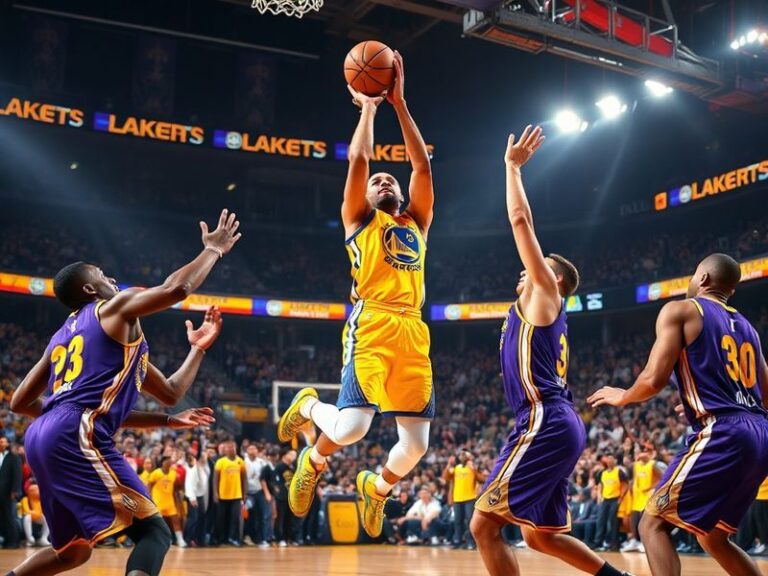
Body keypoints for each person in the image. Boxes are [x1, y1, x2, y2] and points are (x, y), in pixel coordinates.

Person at [6, 209, 240, 576]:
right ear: (89, 289)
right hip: (72, 431)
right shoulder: (110, 308)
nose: (111, 278)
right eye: (101, 275)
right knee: (153, 532)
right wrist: (213, 251)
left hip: (43, 435)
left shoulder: (63, 338)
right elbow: (176, 289)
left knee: (72, 552)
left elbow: (170, 391)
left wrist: (197, 349)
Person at [276, 51, 435, 540]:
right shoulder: (358, 221)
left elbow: (421, 166)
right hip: (372, 324)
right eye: (375, 182)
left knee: (416, 447)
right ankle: (308, 418)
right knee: (352, 429)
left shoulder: (417, 223)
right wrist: (369, 108)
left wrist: (400, 104)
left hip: (413, 329)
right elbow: (360, 158)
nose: (383, 179)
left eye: (390, 179)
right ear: (362, 198)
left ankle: (377, 488)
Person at [468, 126, 631, 576]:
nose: (526, 270)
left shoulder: (544, 292)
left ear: (553, 277)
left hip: (545, 418)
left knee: (483, 525)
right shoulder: (536, 307)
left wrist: (511, 168)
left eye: (539, 267)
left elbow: (521, 222)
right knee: (539, 534)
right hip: (554, 420)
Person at [589, 252, 768, 576]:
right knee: (714, 537)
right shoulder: (749, 330)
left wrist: (624, 396)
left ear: (702, 278)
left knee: (652, 524)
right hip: (760, 433)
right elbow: (764, 395)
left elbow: (653, 379)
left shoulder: (682, 309)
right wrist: (706, 400)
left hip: (725, 430)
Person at [443, 451, 480, 549]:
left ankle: (470, 542)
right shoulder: (456, 468)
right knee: (457, 521)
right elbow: (445, 477)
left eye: (465, 454)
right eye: (461, 454)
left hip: (470, 498)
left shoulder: (473, 468)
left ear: (470, 457)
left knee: (469, 521)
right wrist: (448, 464)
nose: (462, 455)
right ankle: (457, 540)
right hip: (457, 498)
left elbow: (482, 479)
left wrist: (474, 470)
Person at [213, 440, 246, 547]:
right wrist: (215, 493)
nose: (231, 449)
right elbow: (215, 479)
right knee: (221, 519)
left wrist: (244, 494)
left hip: (236, 495)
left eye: (233, 447)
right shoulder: (220, 462)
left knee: (235, 519)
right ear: (225, 450)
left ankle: (233, 539)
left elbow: (244, 479)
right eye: (229, 447)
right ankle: (221, 540)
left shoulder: (240, 461)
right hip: (222, 495)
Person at [148, 456, 186, 548]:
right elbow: (149, 486)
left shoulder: (173, 473)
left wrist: (180, 492)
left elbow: (178, 486)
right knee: (159, 523)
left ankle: (180, 540)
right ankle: (160, 540)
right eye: (167, 461)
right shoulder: (156, 473)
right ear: (162, 463)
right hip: (158, 502)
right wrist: (150, 499)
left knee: (175, 520)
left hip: (170, 502)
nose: (169, 463)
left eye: (170, 461)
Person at [593, 454, 628, 551]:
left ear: (615, 461)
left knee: (613, 522)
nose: (609, 461)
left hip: (614, 499)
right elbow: (600, 485)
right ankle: (598, 543)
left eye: (611, 459)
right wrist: (599, 496)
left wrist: (621, 497)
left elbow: (625, 484)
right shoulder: (603, 473)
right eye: (608, 459)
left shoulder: (619, 471)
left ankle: (614, 545)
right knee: (600, 521)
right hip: (605, 500)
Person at [183, 449, 209, 547]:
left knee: (201, 519)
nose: (204, 459)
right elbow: (189, 484)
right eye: (202, 457)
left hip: (201, 496)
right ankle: (188, 539)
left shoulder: (203, 467)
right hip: (194, 497)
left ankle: (200, 540)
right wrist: (192, 498)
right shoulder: (194, 468)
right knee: (193, 519)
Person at [0, 434, 22, 549]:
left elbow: (18, 475)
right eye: (0, 442)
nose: (2, 444)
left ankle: (14, 541)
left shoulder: (13, 457)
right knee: (2, 517)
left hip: (9, 492)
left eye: (3, 442)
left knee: (10, 516)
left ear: (7, 444)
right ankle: (5, 540)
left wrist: (15, 490)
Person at [243, 444, 267, 545]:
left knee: (260, 516)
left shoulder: (262, 462)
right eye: (250, 449)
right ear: (246, 451)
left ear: (257, 451)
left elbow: (265, 477)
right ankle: (247, 537)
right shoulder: (242, 462)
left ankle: (260, 539)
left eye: (254, 448)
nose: (252, 451)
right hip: (247, 493)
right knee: (248, 517)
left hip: (259, 492)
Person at [21, 483, 49, 547]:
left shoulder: (40, 500)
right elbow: (26, 511)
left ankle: (44, 538)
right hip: (28, 518)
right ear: (29, 491)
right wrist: (36, 513)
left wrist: (36, 513)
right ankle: (29, 538)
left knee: (47, 518)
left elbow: (42, 511)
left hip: (38, 518)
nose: (37, 492)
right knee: (27, 517)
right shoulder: (25, 499)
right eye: (34, 490)